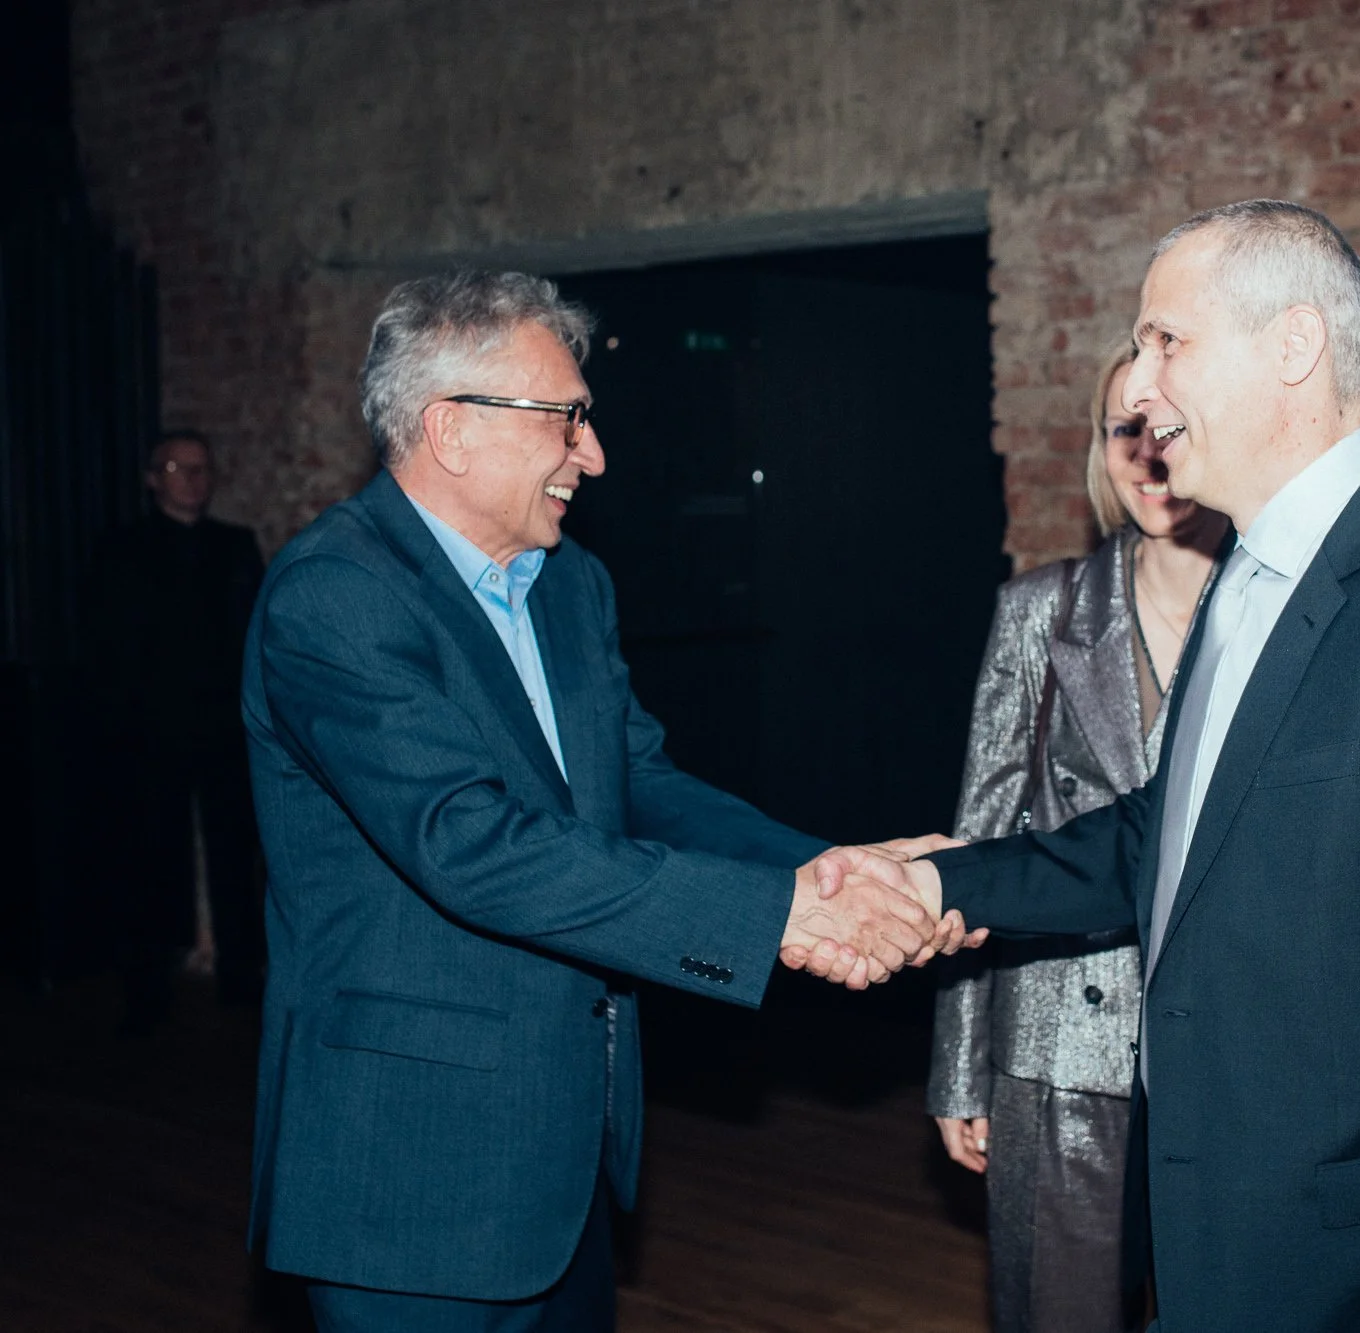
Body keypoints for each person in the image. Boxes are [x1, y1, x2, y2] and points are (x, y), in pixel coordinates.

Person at [825, 201, 1360, 1330]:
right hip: (1224, 1236)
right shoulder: (1250, 573)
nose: (1135, 388)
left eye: (1166, 341)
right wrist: (937, 882)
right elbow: (1164, 837)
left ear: (1293, 347)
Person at [242, 271, 973, 1332]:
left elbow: (638, 783)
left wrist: (822, 870)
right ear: (451, 428)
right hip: (410, 1166)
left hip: (567, 1143)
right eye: (567, 418)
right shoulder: (335, 595)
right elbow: (472, 844)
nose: (592, 455)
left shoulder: (571, 584)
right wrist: (775, 919)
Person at [928, 345, 1226, 1332]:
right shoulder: (1039, 611)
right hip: (1060, 1039)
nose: (1145, 455)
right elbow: (983, 840)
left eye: (1164, 429)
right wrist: (960, 1067)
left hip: (1226, 1045)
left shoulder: (1272, 612)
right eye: (1121, 431)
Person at [86, 431, 267, 1031]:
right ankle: (148, 985)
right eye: (179, 468)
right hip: (151, 731)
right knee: (150, 856)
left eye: (202, 468)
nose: (194, 478)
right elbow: (109, 649)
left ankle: (241, 973)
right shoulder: (122, 551)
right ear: (151, 479)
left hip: (224, 727)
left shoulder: (234, 546)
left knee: (236, 852)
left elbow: (256, 636)